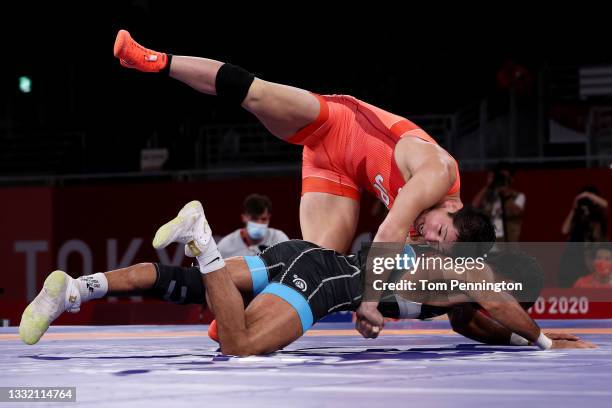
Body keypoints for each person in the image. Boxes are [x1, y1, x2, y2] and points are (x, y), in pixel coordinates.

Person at [113, 29, 496, 334]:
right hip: (335, 122)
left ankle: (240, 312)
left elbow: (456, 309)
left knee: (309, 263)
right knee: (254, 92)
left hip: (336, 173)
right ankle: (155, 60)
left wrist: (533, 338)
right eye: (442, 235)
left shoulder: (434, 226)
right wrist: (368, 301)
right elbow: (389, 231)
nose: (433, 240)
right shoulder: (438, 173)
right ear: (454, 208)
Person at [20, 201, 593, 353]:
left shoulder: (453, 288)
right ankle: (202, 236)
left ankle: (74, 289)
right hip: (324, 279)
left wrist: (515, 337)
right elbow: (499, 305)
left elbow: (476, 324)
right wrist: (543, 342)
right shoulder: (469, 267)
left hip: (303, 255)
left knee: (186, 288)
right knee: (240, 344)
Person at [558, 186, 609, 287]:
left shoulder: (599, 215)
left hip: (592, 254)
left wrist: (587, 195)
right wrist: (574, 208)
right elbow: (564, 230)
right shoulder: (578, 214)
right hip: (575, 254)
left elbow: (605, 204)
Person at [217, 193, 289, 257]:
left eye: (263, 219)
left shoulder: (279, 240)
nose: (259, 223)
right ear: (243, 217)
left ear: (269, 218)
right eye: (254, 219)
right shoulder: (225, 247)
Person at [472, 162, 525, 242]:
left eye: (504, 177)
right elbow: (474, 206)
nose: (502, 180)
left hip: (508, 242)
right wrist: (488, 185)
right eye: (499, 177)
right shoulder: (489, 196)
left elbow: (516, 211)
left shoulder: (518, 196)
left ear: (511, 179)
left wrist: (505, 193)